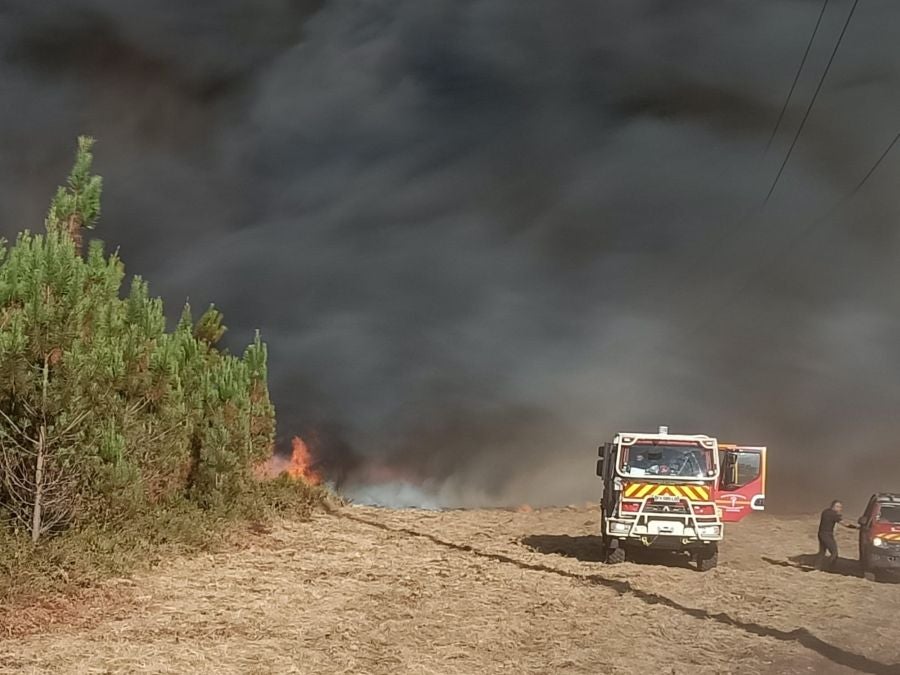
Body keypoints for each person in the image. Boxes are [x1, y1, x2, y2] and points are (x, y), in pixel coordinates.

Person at [817, 500, 857, 571]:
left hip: (821, 534)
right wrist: (856, 527)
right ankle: (829, 568)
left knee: (822, 552)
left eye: (840, 507)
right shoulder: (833, 514)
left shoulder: (825, 511)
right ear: (833, 506)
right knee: (834, 553)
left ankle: (817, 567)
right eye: (838, 507)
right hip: (827, 535)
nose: (840, 509)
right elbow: (845, 524)